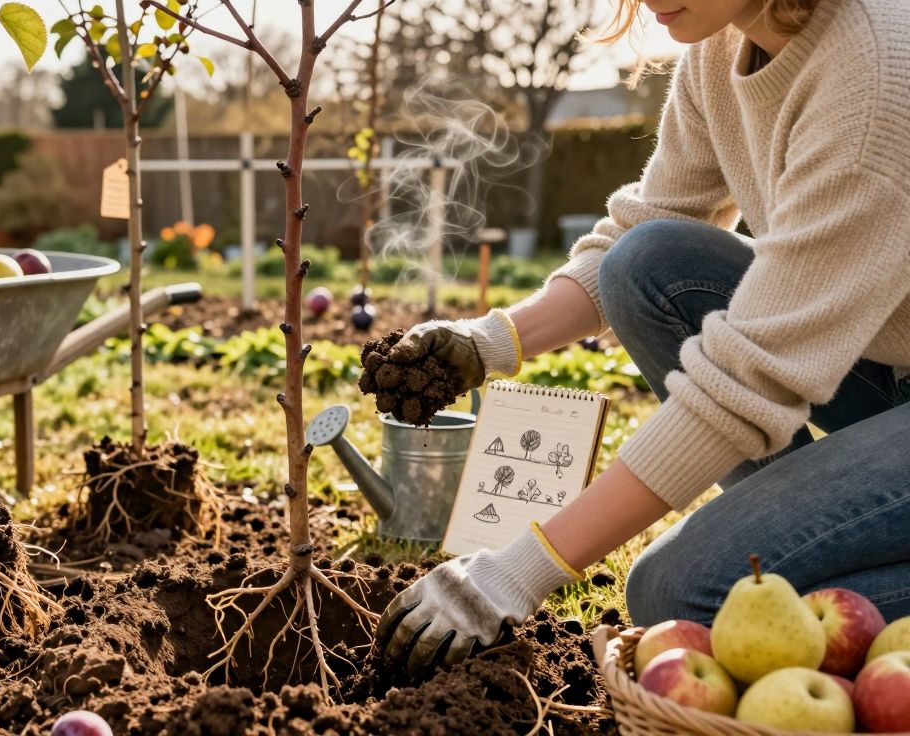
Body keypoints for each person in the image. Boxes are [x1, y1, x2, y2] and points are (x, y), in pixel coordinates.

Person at [373, 0, 910, 676]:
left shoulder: (876, 74)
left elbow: (745, 386)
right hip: (890, 365)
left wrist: (515, 571)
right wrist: (487, 344)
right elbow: (642, 233)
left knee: (686, 591)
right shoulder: (722, 49)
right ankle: (798, 539)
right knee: (648, 263)